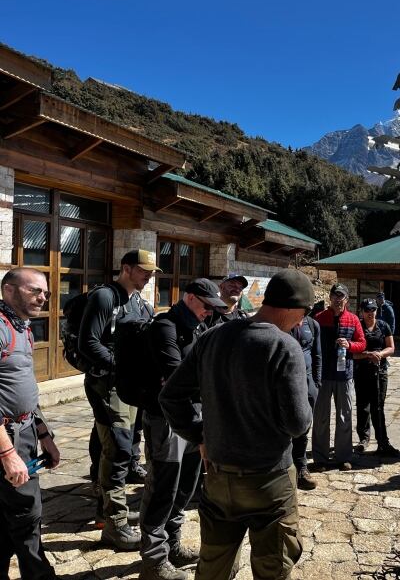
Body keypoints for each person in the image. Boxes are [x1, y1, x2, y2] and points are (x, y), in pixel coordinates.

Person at [159, 269, 315, 580]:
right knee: (273, 568)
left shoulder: (212, 338)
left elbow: (171, 396)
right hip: (269, 480)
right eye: (303, 314)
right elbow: (298, 424)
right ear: (289, 307)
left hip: (219, 477)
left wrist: (199, 434)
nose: (302, 322)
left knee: (214, 567)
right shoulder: (284, 346)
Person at [139, 279, 226, 580]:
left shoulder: (198, 327)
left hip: (194, 416)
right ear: (189, 298)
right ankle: (153, 560)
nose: (209, 313)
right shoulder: (165, 327)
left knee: (187, 485)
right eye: (206, 306)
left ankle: (173, 545)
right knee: (163, 487)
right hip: (166, 419)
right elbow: (177, 377)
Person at [79, 249, 158, 550]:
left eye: (151, 271)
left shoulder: (139, 302)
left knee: (111, 441)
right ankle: (115, 523)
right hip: (107, 384)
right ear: (126, 268)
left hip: (129, 385)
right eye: (143, 270)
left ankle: (102, 503)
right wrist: (121, 366)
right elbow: (89, 342)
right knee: (120, 448)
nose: (149, 276)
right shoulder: (105, 297)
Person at [0, 268, 59, 580]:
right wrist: (7, 453)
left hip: (23, 435)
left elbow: (26, 388)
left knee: (12, 515)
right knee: (27, 513)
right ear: (9, 290)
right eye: (35, 290)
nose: (43, 297)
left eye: (45, 292)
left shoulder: (22, 327)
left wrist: (44, 434)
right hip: (6, 440)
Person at [311, 283, 366, 471]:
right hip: (323, 376)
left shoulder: (353, 320)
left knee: (345, 416)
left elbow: (362, 344)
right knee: (320, 418)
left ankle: (343, 456)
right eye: (334, 295)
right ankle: (320, 458)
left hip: (345, 375)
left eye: (341, 296)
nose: (337, 299)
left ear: (346, 299)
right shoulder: (318, 318)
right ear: (330, 298)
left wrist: (349, 345)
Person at [353, 298, 399, 458]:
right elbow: (352, 352)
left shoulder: (383, 326)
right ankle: (363, 439)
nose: (370, 313)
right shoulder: (357, 326)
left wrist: (379, 354)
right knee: (362, 405)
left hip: (380, 371)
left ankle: (383, 442)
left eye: (373, 310)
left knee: (378, 406)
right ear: (361, 311)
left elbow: (391, 347)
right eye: (367, 310)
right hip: (361, 370)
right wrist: (367, 354)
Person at [290, 314, 322, 490]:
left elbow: (317, 353)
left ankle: (302, 467)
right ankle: (287, 466)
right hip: (287, 380)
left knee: (304, 425)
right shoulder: (282, 321)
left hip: (308, 382)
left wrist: (317, 383)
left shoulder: (312, 324)